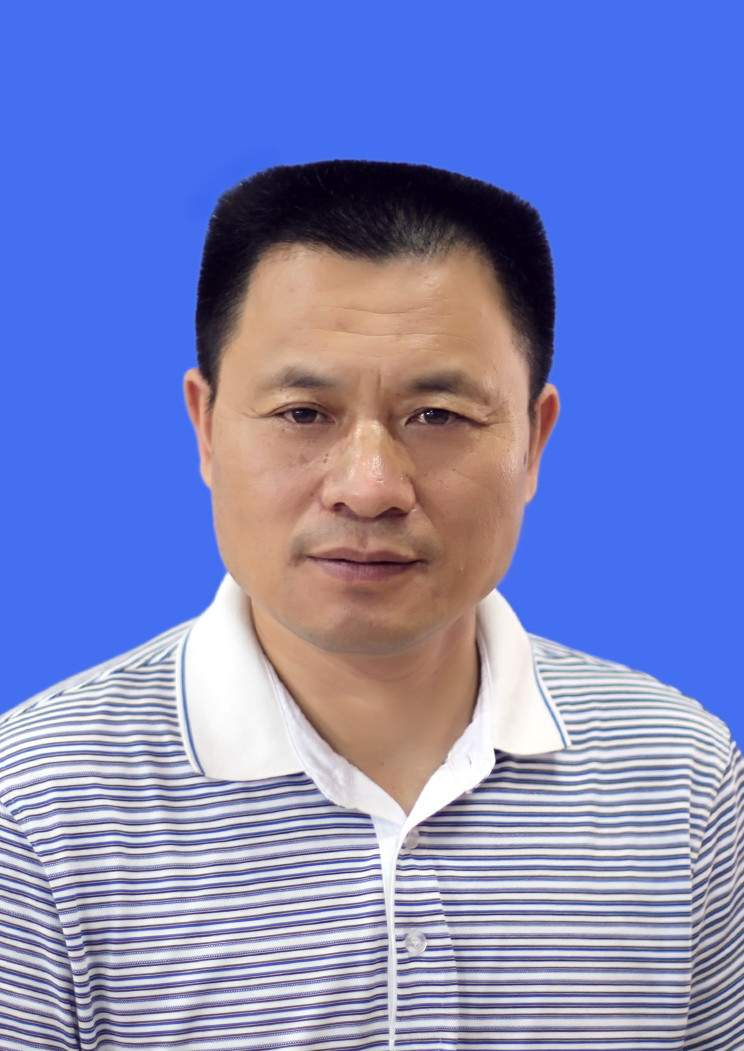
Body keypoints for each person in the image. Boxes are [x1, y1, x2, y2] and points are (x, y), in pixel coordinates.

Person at [1, 159, 741, 1051]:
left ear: (535, 441)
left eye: (437, 416)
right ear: (205, 427)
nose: (369, 486)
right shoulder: (36, 806)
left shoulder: (681, 779)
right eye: (302, 413)